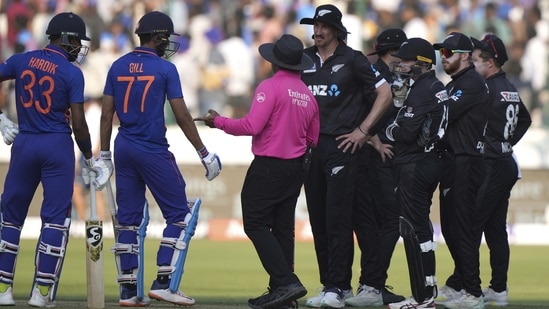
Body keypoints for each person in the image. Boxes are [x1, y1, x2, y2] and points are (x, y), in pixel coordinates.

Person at [96, 11, 222, 307]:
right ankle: (163, 283)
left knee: (127, 220)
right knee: (182, 214)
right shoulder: (165, 69)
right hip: (151, 147)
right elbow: (182, 115)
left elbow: (105, 115)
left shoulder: (117, 65)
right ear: (158, 37)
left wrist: (104, 154)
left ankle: (128, 293)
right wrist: (204, 153)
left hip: (123, 144)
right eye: (166, 37)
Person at [195, 33, 319, 309]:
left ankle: (286, 282)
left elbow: (251, 126)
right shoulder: (308, 96)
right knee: (284, 229)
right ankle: (282, 294)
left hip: (269, 166)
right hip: (295, 167)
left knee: (255, 223)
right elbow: (313, 138)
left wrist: (218, 122)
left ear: (275, 62)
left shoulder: (270, 86)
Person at [0, 12, 97, 307]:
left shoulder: (21, 59)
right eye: (77, 40)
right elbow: (79, 123)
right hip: (56, 145)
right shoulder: (71, 73)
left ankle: (2, 290)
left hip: (25, 142)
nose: (79, 46)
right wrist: (90, 158)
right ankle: (41, 293)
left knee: (10, 218)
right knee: (55, 221)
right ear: (65, 38)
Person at [298, 4, 393, 308]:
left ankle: (338, 286)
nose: (317, 31)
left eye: (324, 26)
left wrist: (364, 131)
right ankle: (331, 285)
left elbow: (385, 94)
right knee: (318, 220)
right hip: (311, 147)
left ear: (337, 31)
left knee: (338, 218)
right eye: (315, 25)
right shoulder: (304, 58)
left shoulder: (353, 59)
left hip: (342, 146)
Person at [381, 37, 449, 309]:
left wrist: (388, 129)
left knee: (412, 228)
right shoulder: (435, 86)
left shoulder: (422, 89)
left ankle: (421, 298)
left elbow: (405, 132)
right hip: (428, 161)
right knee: (421, 228)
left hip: (416, 164)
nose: (402, 66)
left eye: (407, 62)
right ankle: (427, 292)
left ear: (422, 63)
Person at [345, 28, 408, 307]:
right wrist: (375, 142)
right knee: (386, 222)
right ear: (391, 52)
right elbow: (358, 115)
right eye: (402, 54)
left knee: (382, 223)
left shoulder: (395, 76)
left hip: (387, 159)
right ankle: (371, 284)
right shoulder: (373, 75)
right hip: (371, 160)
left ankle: (373, 284)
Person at [470, 33, 531, 307]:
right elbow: (525, 120)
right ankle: (498, 289)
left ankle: (467, 288)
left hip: (491, 163)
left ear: (490, 62)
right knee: (495, 230)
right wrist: (506, 143)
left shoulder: (485, 89)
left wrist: (492, 144)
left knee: (471, 226)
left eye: (475, 60)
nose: (472, 64)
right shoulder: (509, 87)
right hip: (504, 161)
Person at [432, 32, 489, 309]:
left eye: (448, 53)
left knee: (462, 229)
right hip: (453, 161)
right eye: (441, 53)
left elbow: (443, 113)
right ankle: (462, 282)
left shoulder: (471, 83)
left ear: (465, 56)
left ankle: (473, 292)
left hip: (467, 160)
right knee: (452, 230)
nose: (443, 58)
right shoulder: (456, 83)